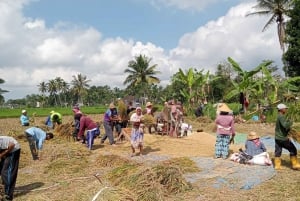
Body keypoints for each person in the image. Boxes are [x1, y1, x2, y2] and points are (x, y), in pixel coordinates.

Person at [274, 103, 300, 170]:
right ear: (281, 109)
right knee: (293, 149)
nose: (286, 109)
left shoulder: (279, 116)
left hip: (277, 138)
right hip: (282, 138)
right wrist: (291, 122)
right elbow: (285, 125)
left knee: (278, 151)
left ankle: (277, 166)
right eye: (285, 108)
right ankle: (295, 165)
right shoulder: (281, 116)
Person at [0, 136, 21, 201]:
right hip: (5, 148)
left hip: (13, 149)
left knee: (6, 172)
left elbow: (12, 145)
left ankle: (8, 195)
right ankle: (2, 189)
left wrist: (1, 155)